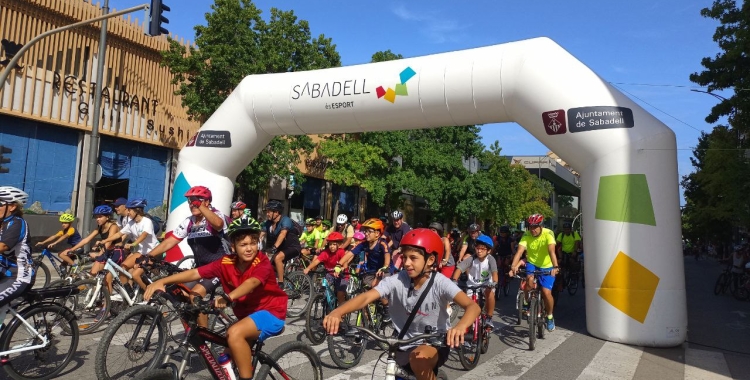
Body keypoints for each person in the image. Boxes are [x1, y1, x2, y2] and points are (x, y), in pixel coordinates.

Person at [323, 228, 481, 380]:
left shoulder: (440, 283)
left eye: (413, 258)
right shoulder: (398, 279)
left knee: (418, 360)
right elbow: (366, 297)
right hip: (401, 342)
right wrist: (337, 312)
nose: (406, 263)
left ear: (431, 260)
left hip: (433, 342)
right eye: (404, 257)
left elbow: (473, 307)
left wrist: (460, 327)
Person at [145, 214, 287, 380]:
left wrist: (228, 298)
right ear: (233, 246)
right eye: (243, 245)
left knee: (234, 333)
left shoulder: (261, 261)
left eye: (253, 243)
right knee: (226, 358)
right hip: (247, 317)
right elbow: (195, 272)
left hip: (272, 312)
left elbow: (252, 283)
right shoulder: (225, 262)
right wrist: (162, 281)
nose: (249, 248)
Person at [141, 185, 228, 326]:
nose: (193, 204)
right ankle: (192, 330)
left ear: (207, 202)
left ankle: (203, 339)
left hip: (219, 267)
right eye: (190, 201)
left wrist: (202, 207)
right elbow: (169, 242)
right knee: (178, 294)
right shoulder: (189, 221)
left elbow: (218, 224)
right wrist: (148, 256)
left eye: (197, 200)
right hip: (200, 268)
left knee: (195, 295)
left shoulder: (216, 215)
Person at [509, 214, 559, 332]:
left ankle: (550, 316)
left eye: (535, 227)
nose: (533, 230)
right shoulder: (526, 235)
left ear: (541, 226)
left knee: (546, 293)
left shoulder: (548, 233)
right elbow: (519, 252)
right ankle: (526, 301)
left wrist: (555, 266)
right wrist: (513, 267)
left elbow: (552, 251)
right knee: (529, 281)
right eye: (530, 227)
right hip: (532, 262)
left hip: (547, 265)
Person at [99, 198, 160, 292]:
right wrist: (105, 240)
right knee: (122, 269)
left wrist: (133, 244)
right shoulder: (131, 223)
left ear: (137, 211)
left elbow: (144, 235)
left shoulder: (147, 221)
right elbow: (119, 234)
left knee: (135, 275)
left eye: (130, 210)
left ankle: (149, 294)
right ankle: (129, 293)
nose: (128, 212)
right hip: (141, 252)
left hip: (153, 252)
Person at [339, 217, 391, 320]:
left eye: (369, 231)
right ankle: (366, 321)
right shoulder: (363, 244)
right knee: (365, 293)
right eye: (365, 231)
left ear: (377, 233)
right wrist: (338, 265)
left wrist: (384, 267)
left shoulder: (382, 243)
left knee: (377, 289)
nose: (366, 233)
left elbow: (387, 257)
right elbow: (350, 253)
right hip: (371, 271)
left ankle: (387, 309)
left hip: (384, 270)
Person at [451, 234, 498, 328]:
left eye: (482, 249)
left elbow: (494, 273)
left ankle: (489, 317)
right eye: (477, 248)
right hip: (471, 285)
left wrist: (494, 283)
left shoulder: (490, 259)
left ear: (488, 250)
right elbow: (459, 268)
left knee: (490, 294)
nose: (479, 251)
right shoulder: (472, 258)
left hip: (486, 284)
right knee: (469, 307)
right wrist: (454, 280)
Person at [62, 205, 120, 277]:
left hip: (116, 253)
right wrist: (72, 250)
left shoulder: (113, 226)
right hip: (106, 253)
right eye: (96, 217)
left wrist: (98, 254)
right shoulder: (100, 227)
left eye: (100, 216)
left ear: (107, 217)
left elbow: (108, 243)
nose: (97, 219)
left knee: (103, 279)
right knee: (92, 276)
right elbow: (86, 240)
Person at [0, 186, 33, 309]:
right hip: (3, 271)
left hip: (17, 276)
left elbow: (3, 246)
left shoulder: (17, 223)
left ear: (12, 206)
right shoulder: (2, 223)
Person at [261, 200, 301, 283]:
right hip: (281, 248)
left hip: (293, 247)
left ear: (276, 212)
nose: (267, 214)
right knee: (265, 263)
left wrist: (274, 247)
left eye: (269, 211)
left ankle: (281, 282)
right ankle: (277, 276)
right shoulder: (268, 223)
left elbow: (283, 234)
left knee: (277, 258)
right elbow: (261, 235)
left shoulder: (285, 220)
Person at [303, 231, 348, 305]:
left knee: (340, 294)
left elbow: (345, 265)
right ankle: (326, 304)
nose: (332, 246)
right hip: (330, 274)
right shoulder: (325, 253)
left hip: (342, 275)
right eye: (330, 244)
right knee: (324, 287)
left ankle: (342, 311)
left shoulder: (341, 252)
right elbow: (316, 261)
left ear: (339, 245)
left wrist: (341, 269)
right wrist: (308, 268)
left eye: (334, 244)